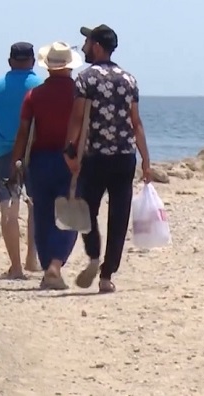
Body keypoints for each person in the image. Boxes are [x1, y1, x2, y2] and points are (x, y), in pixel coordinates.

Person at [64, 24, 152, 293]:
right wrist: (146, 160)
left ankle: (93, 255)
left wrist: (69, 149)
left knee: (86, 213)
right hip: (125, 157)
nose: (85, 47)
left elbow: (78, 118)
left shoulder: (86, 78)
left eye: (88, 42)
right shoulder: (129, 79)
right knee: (118, 216)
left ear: (98, 46)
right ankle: (107, 275)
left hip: (95, 157)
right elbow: (136, 123)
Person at [11, 41, 84, 290]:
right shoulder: (79, 94)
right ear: (69, 66)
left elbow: (23, 131)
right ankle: (55, 264)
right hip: (70, 159)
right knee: (69, 214)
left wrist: (15, 161)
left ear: (48, 67)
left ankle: (47, 269)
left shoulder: (34, 95)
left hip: (40, 160)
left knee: (42, 215)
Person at [0, 41, 44, 279]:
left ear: (10, 61)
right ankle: (32, 259)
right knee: (35, 205)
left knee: (9, 210)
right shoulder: (41, 87)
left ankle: (16, 267)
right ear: (33, 62)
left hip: (5, 154)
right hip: (36, 153)